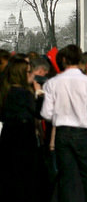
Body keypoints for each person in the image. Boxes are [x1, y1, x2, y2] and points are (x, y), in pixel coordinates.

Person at [41, 44, 87, 202]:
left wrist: (59, 116)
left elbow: (46, 113)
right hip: (83, 131)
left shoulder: (52, 83)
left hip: (62, 131)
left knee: (67, 178)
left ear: (63, 60)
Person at [0, 56, 43, 200]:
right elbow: (39, 112)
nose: (32, 74)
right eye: (29, 72)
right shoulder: (25, 94)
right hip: (24, 137)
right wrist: (39, 93)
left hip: (8, 135)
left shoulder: (6, 92)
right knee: (26, 178)